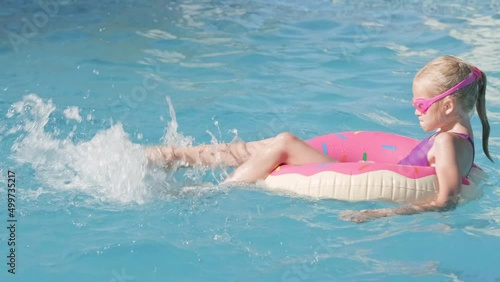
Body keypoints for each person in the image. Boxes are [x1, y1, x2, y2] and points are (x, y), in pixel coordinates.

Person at [145, 55, 493, 222]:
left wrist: (382, 214)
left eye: (420, 103)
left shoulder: (446, 143)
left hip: (377, 185)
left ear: (447, 104)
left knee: (282, 142)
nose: (414, 110)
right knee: (267, 147)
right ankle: (175, 155)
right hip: (373, 168)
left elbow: (446, 201)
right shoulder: (458, 136)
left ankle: (211, 190)